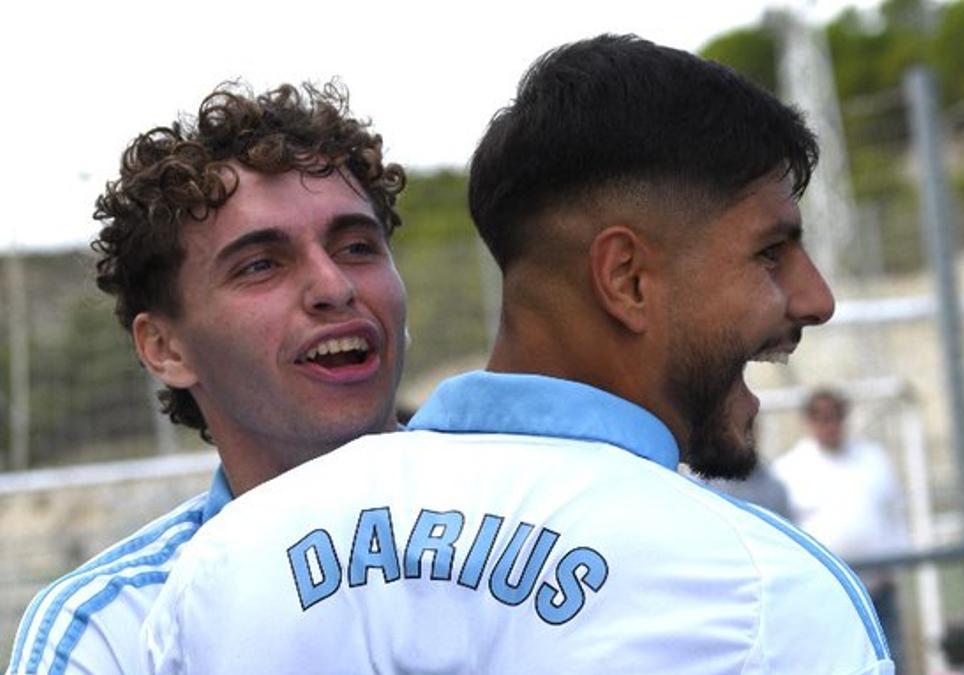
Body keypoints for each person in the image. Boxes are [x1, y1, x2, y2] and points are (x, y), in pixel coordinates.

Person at [140, 34, 896, 674]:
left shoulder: (225, 569)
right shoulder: (758, 590)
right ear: (626, 278)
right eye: (770, 253)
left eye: (359, 246)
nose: (815, 298)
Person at [7, 81, 409, 674]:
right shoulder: (111, 635)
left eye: (355, 246)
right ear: (165, 349)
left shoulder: (552, 513)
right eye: (262, 264)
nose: (334, 286)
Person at [774, 387, 911, 670]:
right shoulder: (790, 469)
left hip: (879, 590)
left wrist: (895, 564)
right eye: (821, 418)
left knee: (890, 661)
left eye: (836, 417)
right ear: (809, 421)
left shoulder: (873, 459)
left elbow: (895, 512)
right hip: (828, 595)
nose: (830, 425)